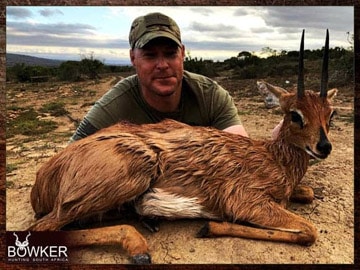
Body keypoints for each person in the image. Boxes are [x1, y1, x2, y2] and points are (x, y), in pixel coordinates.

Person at [69, 12, 248, 143]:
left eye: (170, 54)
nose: (162, 65)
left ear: (183, 54)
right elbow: (68, 158)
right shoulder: (114, 105)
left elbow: (241, 151)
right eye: (150, 55)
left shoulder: (210, 95)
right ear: (133, 58)